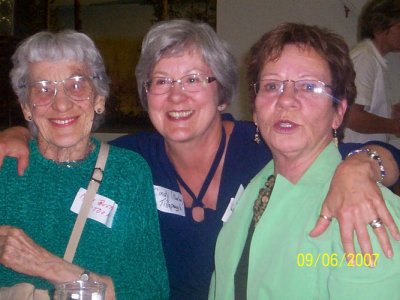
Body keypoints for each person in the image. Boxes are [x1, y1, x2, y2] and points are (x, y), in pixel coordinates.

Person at [1, 20, 400, 300]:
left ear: (223, 93)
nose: (177, 96)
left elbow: (374, 155)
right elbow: (69, 148)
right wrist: (17, 134)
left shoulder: (268, 144)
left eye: (193, 79)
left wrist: (362, 168)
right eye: (162, 81)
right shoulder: (131, 161)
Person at [210, 22, 400, 300]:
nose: (286, 100)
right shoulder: (257, 186)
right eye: (272, 85)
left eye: (309, 86)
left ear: (339, 111)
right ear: (255, 108)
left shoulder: (365, 214)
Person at [0, 30, 169, 299]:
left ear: (99, 99)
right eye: (43, 89)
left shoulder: (128, 173)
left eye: (76, 85)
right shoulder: (5, 169)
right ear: (26, 107)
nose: (62, 103)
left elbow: (150, 291)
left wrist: (45, 264)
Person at [344, 0, 400, 143]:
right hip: (352, 155)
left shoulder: (371, 58)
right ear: (379, 27)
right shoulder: (365, 58)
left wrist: (389, 111)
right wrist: (394, 126)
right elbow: (351, 116)